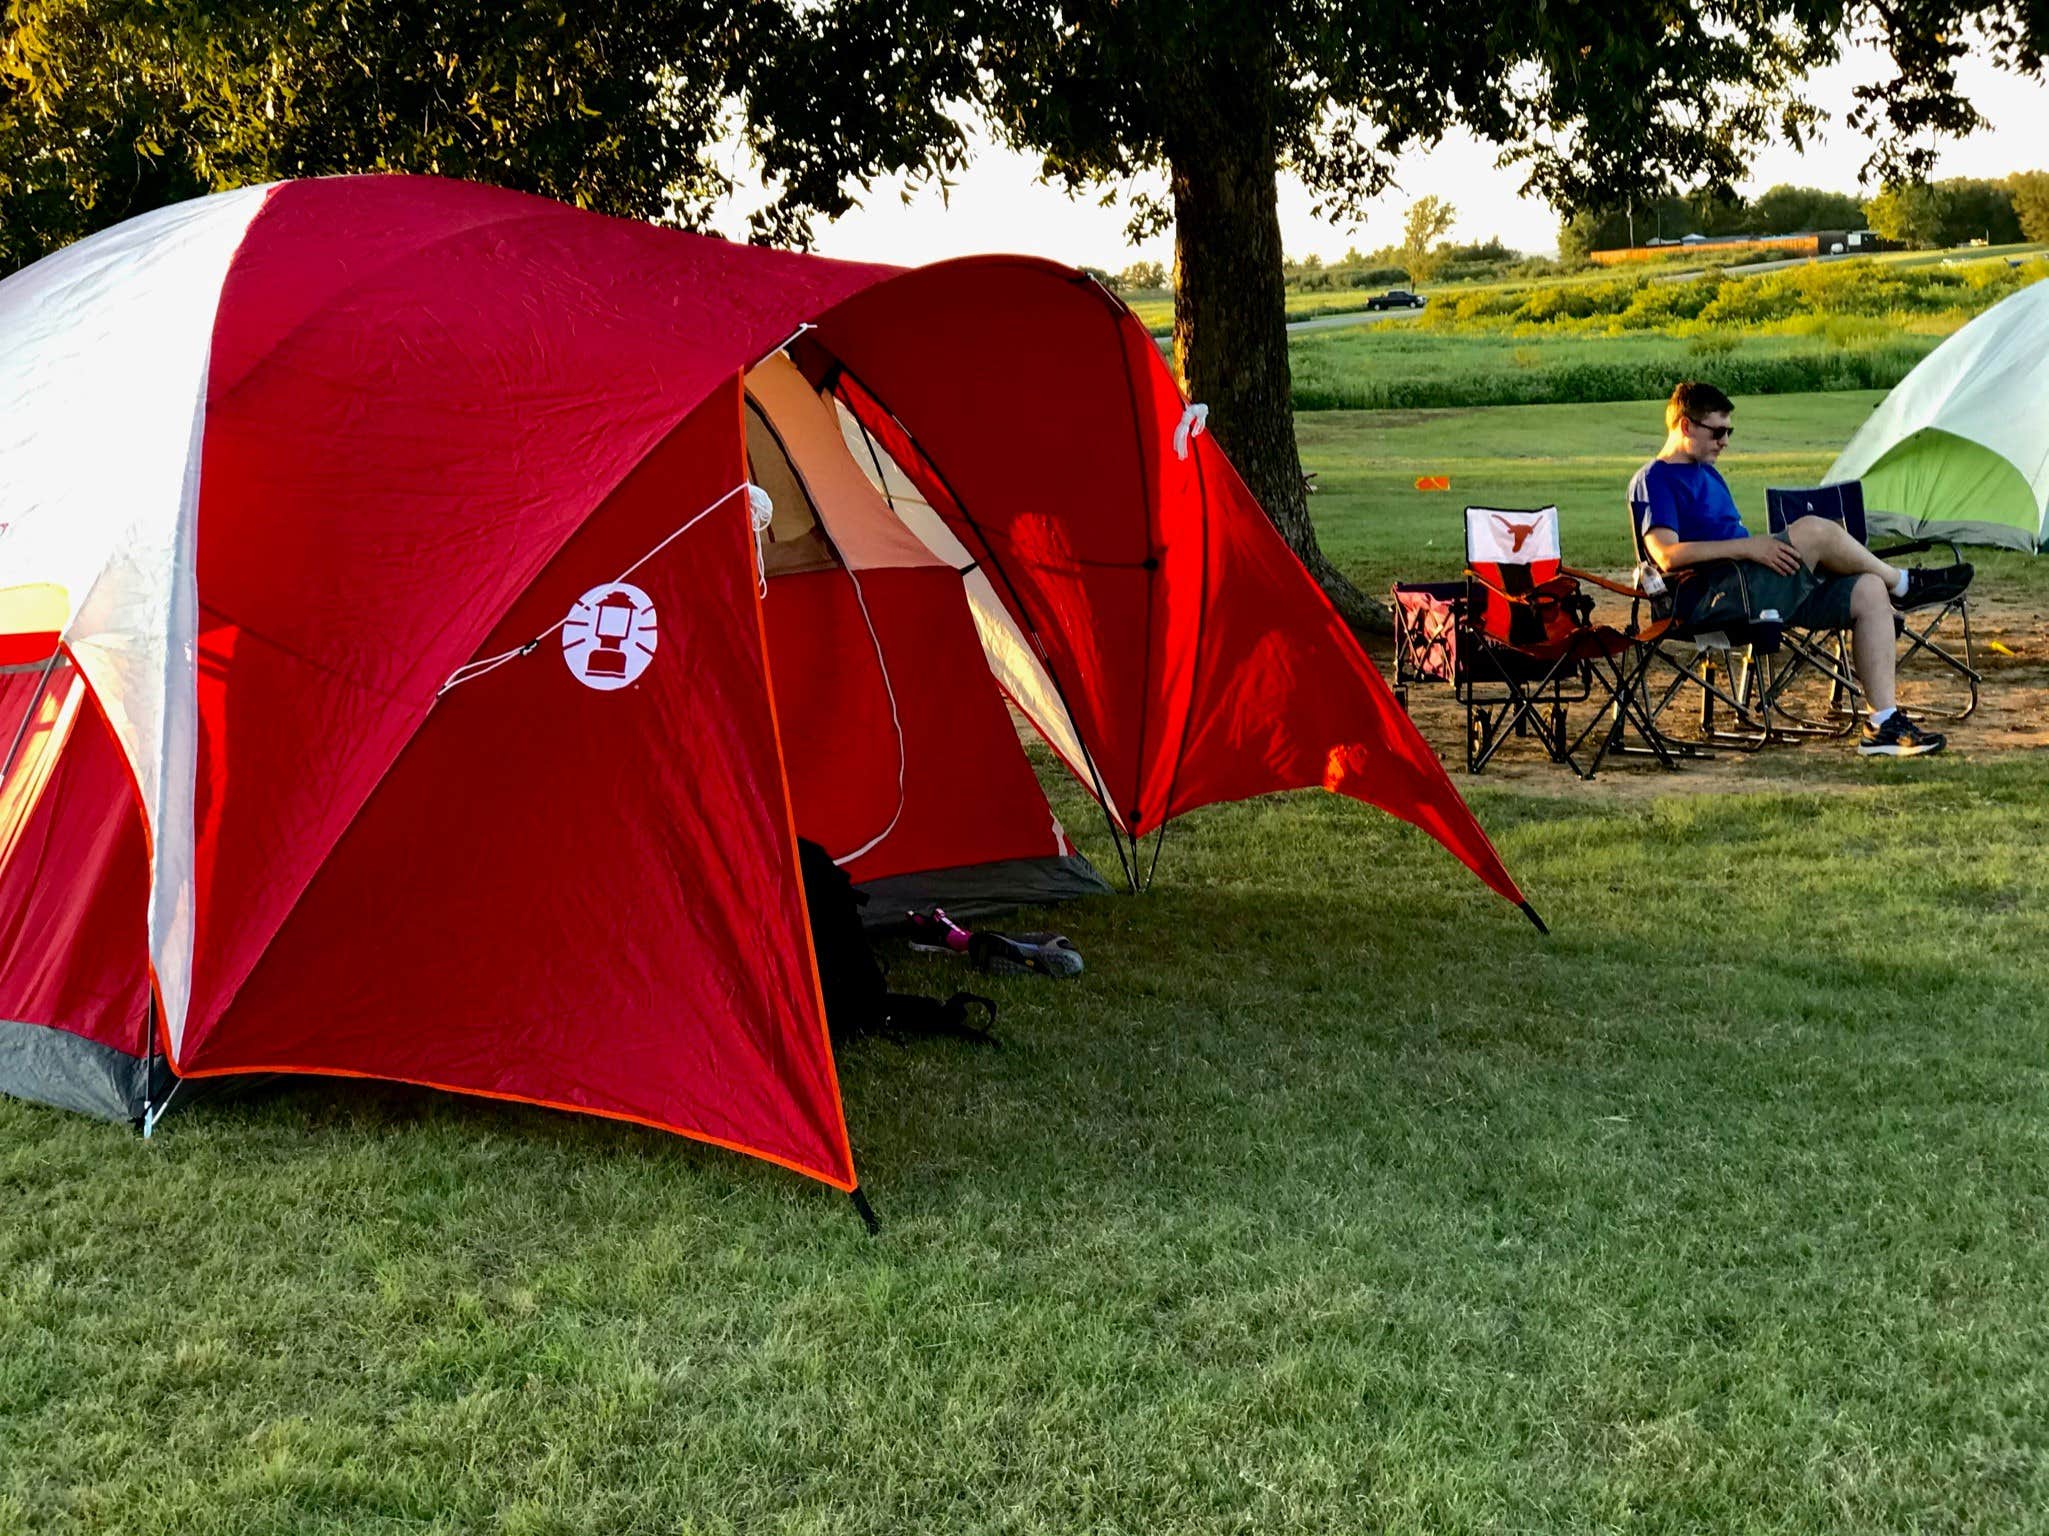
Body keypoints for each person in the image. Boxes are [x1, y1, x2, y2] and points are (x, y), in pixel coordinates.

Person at [1628, 381, 1972, 758]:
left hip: (1752, 589)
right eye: (1718, 431)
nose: (1725, 441)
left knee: (1869, 590)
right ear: (1685, 426)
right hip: (1708, 599)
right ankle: (1905, 584)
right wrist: (1750, 546)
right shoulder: (1654, 478)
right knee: (1812, 530)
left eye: (1730, 432)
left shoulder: (1708, 474)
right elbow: (1665, 555)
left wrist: (1755, 550)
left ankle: (1882, 725)